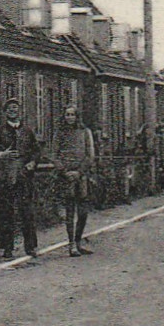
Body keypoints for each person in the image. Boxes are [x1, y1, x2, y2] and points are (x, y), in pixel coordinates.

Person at [0, 99, 41, 260]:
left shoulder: (27, 131)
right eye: (9, 108)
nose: (13, 110)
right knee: (6, 212)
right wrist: (1, 155)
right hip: (6, 176)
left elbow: (36, 150)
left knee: (26, 211)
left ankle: (30, 246)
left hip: (24, 175)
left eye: (15, 108)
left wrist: (32, 163)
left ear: (20, 111)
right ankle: (7, 247)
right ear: (5, 112)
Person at [54, 105, 98, 256]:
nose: (70, 117)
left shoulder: (85, 132)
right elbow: (54, 155)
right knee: (70, 211)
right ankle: (71, 244)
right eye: (67, 115)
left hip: (81, 175)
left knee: (83, 211)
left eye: (72, 114)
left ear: (77, 116)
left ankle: (78, 241)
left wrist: (79, 172)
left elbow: (90, 155)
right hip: (66, 176)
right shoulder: (60, 133)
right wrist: (64, 171)